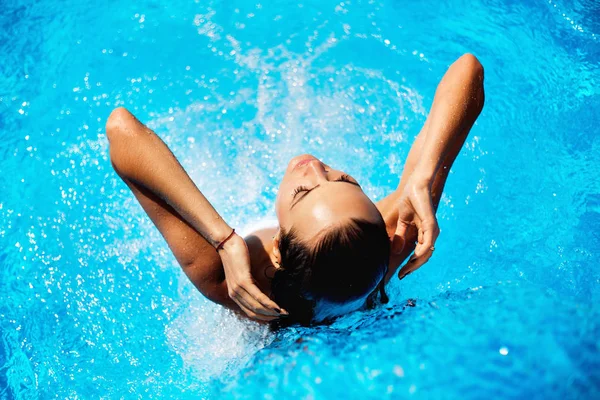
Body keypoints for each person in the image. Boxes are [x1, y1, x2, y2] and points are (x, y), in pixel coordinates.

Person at [105, 53, 484, 326]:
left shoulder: (226, 278)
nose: (316, 167)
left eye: (305, 192)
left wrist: (224, 240)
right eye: (343, 180)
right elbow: (469, 70)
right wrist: (424, 178)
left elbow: (121, 131)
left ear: (277, 250)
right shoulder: (392, 241)